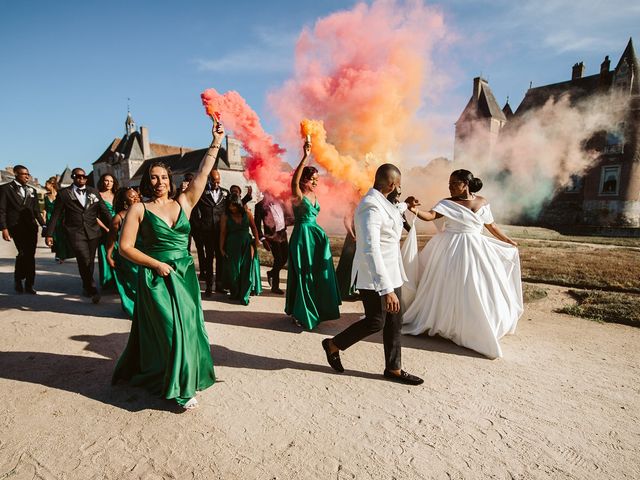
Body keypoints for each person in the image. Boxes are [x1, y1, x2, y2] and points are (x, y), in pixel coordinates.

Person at [112, 120, 224, 409]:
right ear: (146, 181)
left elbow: (203, 173)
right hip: (155, 277)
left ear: (169, 179)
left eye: (162, 177)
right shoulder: (139, 209)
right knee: (169, 329)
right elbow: (125, 248)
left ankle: (182, 377)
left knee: (188, 327)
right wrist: (156, 265)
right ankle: (181, 388)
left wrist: (215, 142)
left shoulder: (184, 202)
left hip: (184, 275)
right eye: (153, 177)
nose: (158, 182)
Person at [401, 169, 522, 359]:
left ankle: (477, 327)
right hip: (450, 249)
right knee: (450, 285)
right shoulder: (446, 203)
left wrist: (508, 240)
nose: (449, 187)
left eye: (453, 183)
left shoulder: (482, 202)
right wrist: (413, 209)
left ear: (465, 184)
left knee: (479, 285)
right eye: (448, 184)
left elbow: (491, 226)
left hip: (477, 249)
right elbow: (431, 216)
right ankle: (447, 324)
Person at [321, 164, 424, 385]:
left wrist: (407, 203)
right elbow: (370, 249)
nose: (400, 189)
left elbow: (393, 213)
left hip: (392, 272)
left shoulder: (382, 202)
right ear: (392, 184)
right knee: (376, 321)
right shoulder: (370, 207)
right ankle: (333, 345)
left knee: (395, 320)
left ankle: (393, 368)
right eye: (399, 185)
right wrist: (386, 290)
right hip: (375, 277)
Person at [285, 140, 341, 329]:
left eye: (317, 179)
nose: (316, 182)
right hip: (302, 237)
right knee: (303, 273)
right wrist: (305, 157)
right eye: (312, 179)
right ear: (303, 181)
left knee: (318, 273)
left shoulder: (315, 196)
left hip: (316, 238)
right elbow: (293, 180)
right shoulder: (298, 195)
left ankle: (317, 308)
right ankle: (300, 312)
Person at [46, 168, 113, 303]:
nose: (81, 178)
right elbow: (56, 215)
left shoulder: (93, 192)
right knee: (83, 258)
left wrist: (115, 226)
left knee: (89, 261)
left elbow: (104, 211)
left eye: (84, 176)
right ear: (73, 177)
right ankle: (93, 288)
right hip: (75, 232)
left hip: (93, 232)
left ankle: (86, 285)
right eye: (78, 176)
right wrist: (49, 234)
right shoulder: (64, 193)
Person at [0, 165, 45, 294]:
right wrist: (4, 228)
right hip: (15, 227)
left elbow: (36, 211)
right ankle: (19, 280)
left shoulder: (32, 190)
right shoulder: (5, 189)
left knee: (30, 255)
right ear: (16, 174)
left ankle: (29, 284)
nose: (27, 176)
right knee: (24, 253)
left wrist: (44, 225)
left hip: (31, 227)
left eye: (28, 174)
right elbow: (1, 210)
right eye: (24, 174)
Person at [220, 192, 262, 305]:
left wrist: (257, 240)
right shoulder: (225, 216)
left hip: (246, 245)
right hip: (232, 246)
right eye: (230, 205)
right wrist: (221, 248)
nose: (231, 207)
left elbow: (254, 227)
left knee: (246, 271)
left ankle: (245, 295)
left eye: (234, 205)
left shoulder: (247, 213)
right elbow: (223, 233)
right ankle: (235, 293)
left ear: (238, 204)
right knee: (234, 271)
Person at [191, 168, 228, 296]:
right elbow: (194, 210)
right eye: (214, 181)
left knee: (220, 259)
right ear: (209, 180)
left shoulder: (225, 193)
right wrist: (199, 225)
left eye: (218, 182)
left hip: (220, 232)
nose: (216, 184)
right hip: (206, 231)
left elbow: (231, 209)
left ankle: (219, 285)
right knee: (208, 259)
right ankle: (208, 286)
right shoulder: (202, 193)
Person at [105, 187, 140, 318]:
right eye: (132, 197)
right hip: (126, 256)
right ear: (125, 202)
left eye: (137, 195)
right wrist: (109, 255)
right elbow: (111, 239)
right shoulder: (118, 218)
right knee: (131, 283)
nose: (136, 198)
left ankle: (144, 307)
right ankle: (132, 308)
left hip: (142, 252)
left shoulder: (144, 212)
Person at [254, 191, 291, 295]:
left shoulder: (281, 203)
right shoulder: (260, 206)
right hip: (271, 237)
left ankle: (271, 273)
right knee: (278, 259)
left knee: (285, 257)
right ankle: (275, 286)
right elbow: (257, 224)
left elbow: (287, 217)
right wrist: (262, 239)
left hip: (282, 234)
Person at [42, 176, 74, 263]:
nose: (45, 185)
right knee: (54, 238)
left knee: (60, 237)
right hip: (49, 219)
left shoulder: (60, 194)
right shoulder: (46, 196)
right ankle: (58, 253)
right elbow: (45, 208)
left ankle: (60, 255)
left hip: (59, 218)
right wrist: (44, 217)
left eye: (46, 184)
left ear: (52, 185)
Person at [96, 173, 118, 291]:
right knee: (105, 254)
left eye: (111, 181)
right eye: (106, 181)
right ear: (102, 182)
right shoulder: (97, 196)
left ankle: (117, 281)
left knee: (117, 254)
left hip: (118, 229)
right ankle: (107, 282)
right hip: (104, 230)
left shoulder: (117, 195)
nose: (108, 183)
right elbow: (94, 216)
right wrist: (106, 228)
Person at [335, 207, 358, 300]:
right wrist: (352, 235)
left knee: (355, 265)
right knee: (348, 264)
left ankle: (351, 290)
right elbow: (347, 220)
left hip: (358, 236)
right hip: (353, 238)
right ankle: (344, 292)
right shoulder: (353, 203)